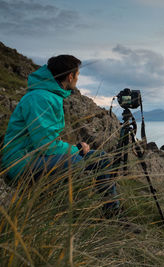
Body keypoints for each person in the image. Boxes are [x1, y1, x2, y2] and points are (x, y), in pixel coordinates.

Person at [1, 55, 119, 215]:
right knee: (75, 161)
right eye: (77, 75)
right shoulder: (40, 98)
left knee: (101, 158)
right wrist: (77, 149)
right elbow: (46, 145)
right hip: (21, 162)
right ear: (70, 76)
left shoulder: (50, 96)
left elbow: (47, 141)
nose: (77, 79)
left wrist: (74, 148)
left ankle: (112, 212)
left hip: (36, 156)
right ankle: (55, 210)